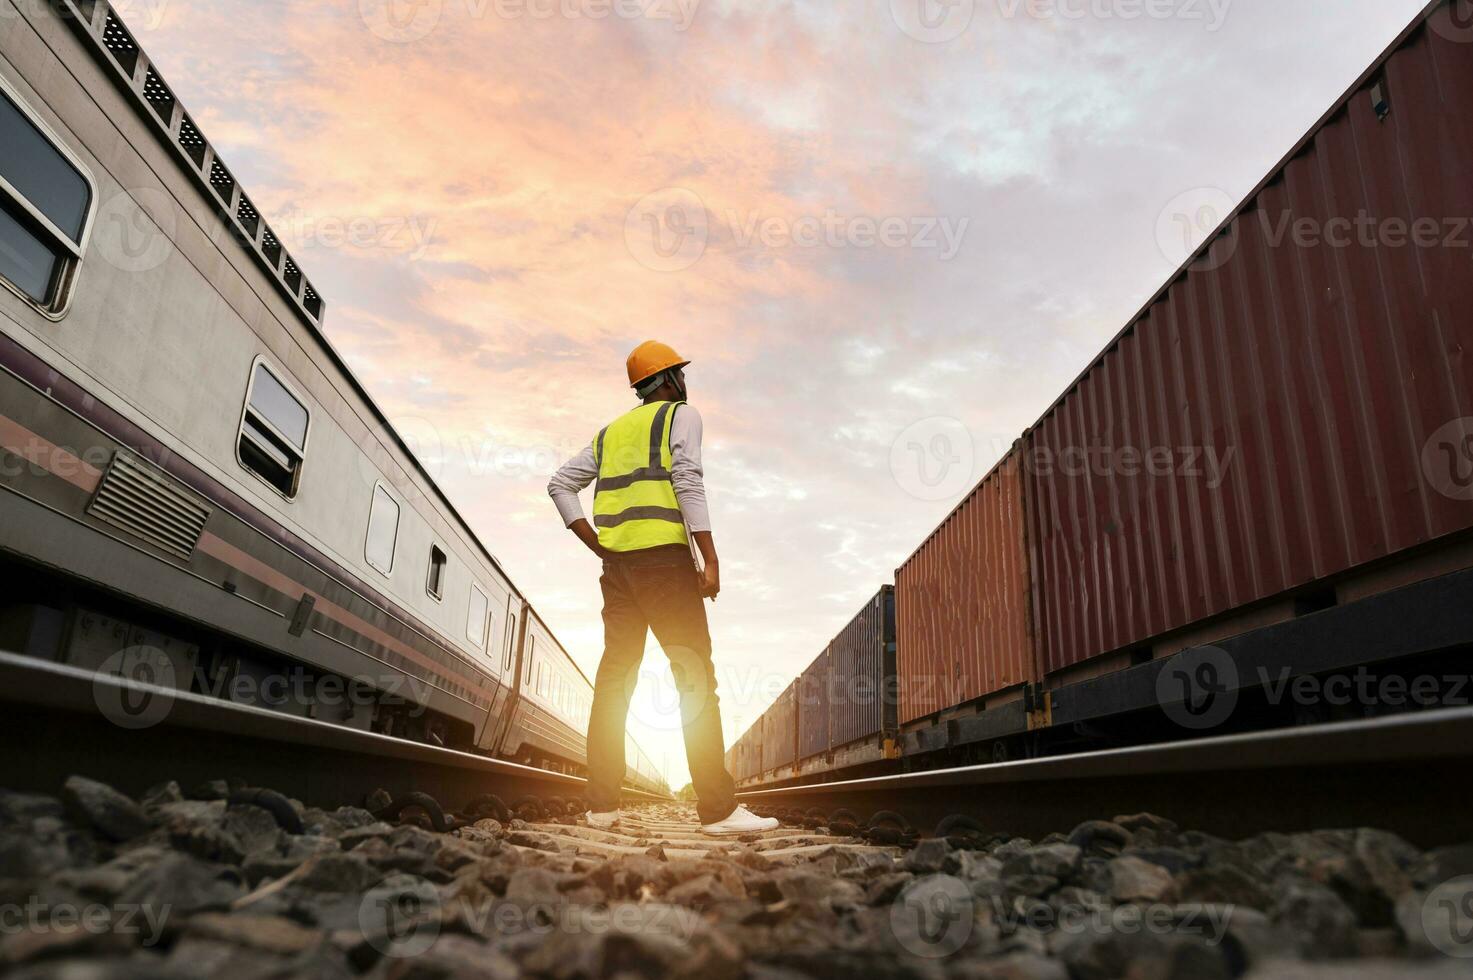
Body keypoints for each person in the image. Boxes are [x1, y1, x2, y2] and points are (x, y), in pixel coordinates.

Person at [547, 341, 778, 836]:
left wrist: (600, 547)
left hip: (619, 572)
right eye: (679, 374)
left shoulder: (609, 434)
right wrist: (710, 558)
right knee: (694, 678)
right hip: (665, 566)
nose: (683, 382)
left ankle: (601, 807)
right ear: (670, 380)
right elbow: (688, 481)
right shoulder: (681, 416)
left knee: (614, 682)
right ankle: (717, 810)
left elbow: (559, 485)